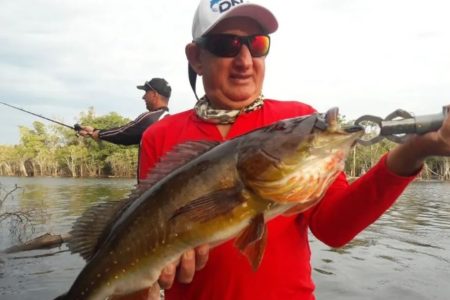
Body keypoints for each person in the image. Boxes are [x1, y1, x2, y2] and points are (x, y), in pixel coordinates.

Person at [131, 0, 450, 299]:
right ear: (196, 57)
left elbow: (334, 229)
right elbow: (139, 239)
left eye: (257, 44)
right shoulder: (160, 136)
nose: (244, 61)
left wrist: (414, 152)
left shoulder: (297, 122)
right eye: (225, 45)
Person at [79, 77, 171, 145]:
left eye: (146, 92)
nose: (143, 97)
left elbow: (124, 133)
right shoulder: (168, 119)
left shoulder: (150, 118)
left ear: (154, 94)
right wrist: (94, 131)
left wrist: (98, 133)